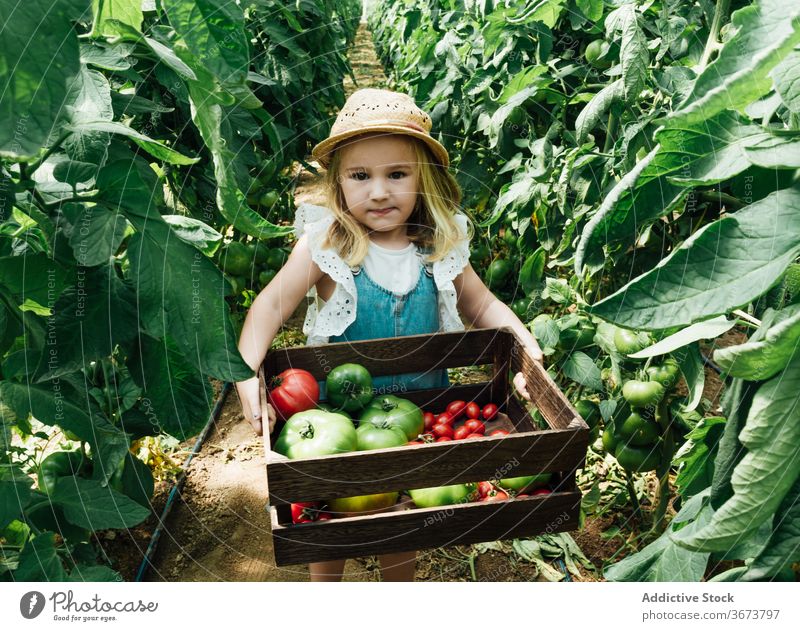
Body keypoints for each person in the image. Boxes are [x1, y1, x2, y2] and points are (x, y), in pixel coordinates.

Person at [234, 88, 543, 582]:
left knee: (405, 524)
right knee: (331, 521)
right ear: (338, 183)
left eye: (396, 174)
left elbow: (481, 304)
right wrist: (245, 373)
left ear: (424, 180)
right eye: (361, 176)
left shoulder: (438, 247)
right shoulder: (327, 245)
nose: (379, 192)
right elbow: (272, 303)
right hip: (340, 422)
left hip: (420, 418)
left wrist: (524, 347)